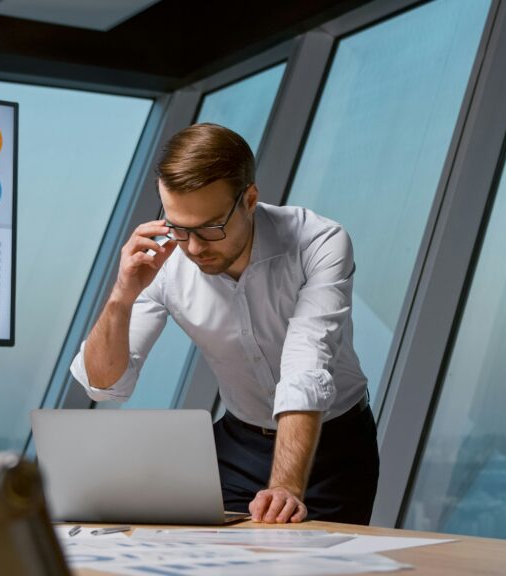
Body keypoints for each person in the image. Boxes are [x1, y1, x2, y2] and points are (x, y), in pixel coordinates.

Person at [69, 123, 378, 524]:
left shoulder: (319, 242)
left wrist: (285, 486)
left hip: (335, 442)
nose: (194, 248)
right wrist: (121, 296)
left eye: (210, 228)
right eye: (179, 228)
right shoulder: (164, 261)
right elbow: (105, 383)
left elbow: (306, 366)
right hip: (239, 443)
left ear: (249, 199)